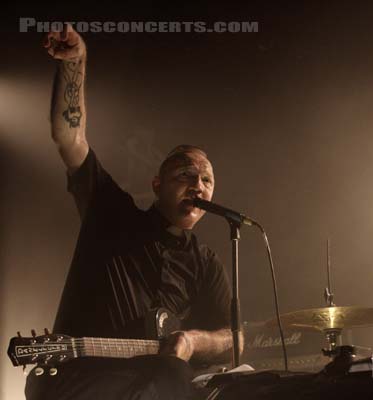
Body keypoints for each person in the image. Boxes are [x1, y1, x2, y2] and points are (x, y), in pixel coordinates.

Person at [25, 24, 239, 400]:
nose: (199, 185)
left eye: (207, 178)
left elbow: (234, 337)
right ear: (157, 185)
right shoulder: (113, 216)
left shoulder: (204, 263)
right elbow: (69, 138)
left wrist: (190, 341)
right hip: (86, 384)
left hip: (155, 384)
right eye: (186, 174)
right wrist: (76, 61)